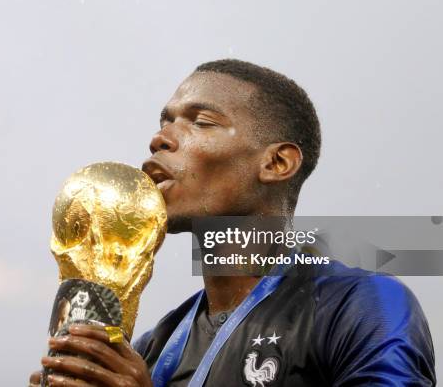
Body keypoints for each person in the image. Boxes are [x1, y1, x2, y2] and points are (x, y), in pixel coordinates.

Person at [29, 59, 436, 386]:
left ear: (277, 163)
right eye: (164, 121)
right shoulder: (155, 346)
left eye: (201, 121)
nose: (161, 138)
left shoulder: (361, 305)